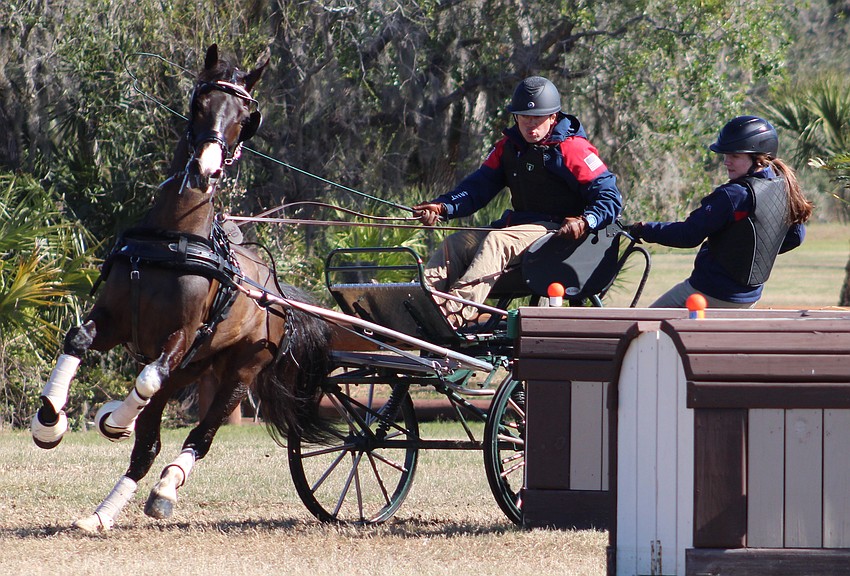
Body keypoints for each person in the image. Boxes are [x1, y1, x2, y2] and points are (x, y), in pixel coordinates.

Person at [413, 76, 622, 327]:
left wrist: (586, 220)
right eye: (524, 117)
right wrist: (443, 206)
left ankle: (453, 314)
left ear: (553, 117)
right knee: (456, 243)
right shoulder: (508, 148)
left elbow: (610, 197)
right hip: (522, 229)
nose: (530, 125)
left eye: (538, 118)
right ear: (516, 118)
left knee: (498, 241)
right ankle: (421, 306)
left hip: (560, 236)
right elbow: (477, 187)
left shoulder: (573, 149)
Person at [630, 115, 814, 308]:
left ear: (758, 159)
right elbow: (796, 236)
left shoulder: (733, 195)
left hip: (708, 293)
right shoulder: (783, 186)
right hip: (750, 298)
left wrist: (644, 229)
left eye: (735, 156)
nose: (726, 162)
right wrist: (748, 254)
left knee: (646, 328)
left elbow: (688, 235)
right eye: (726, 155)